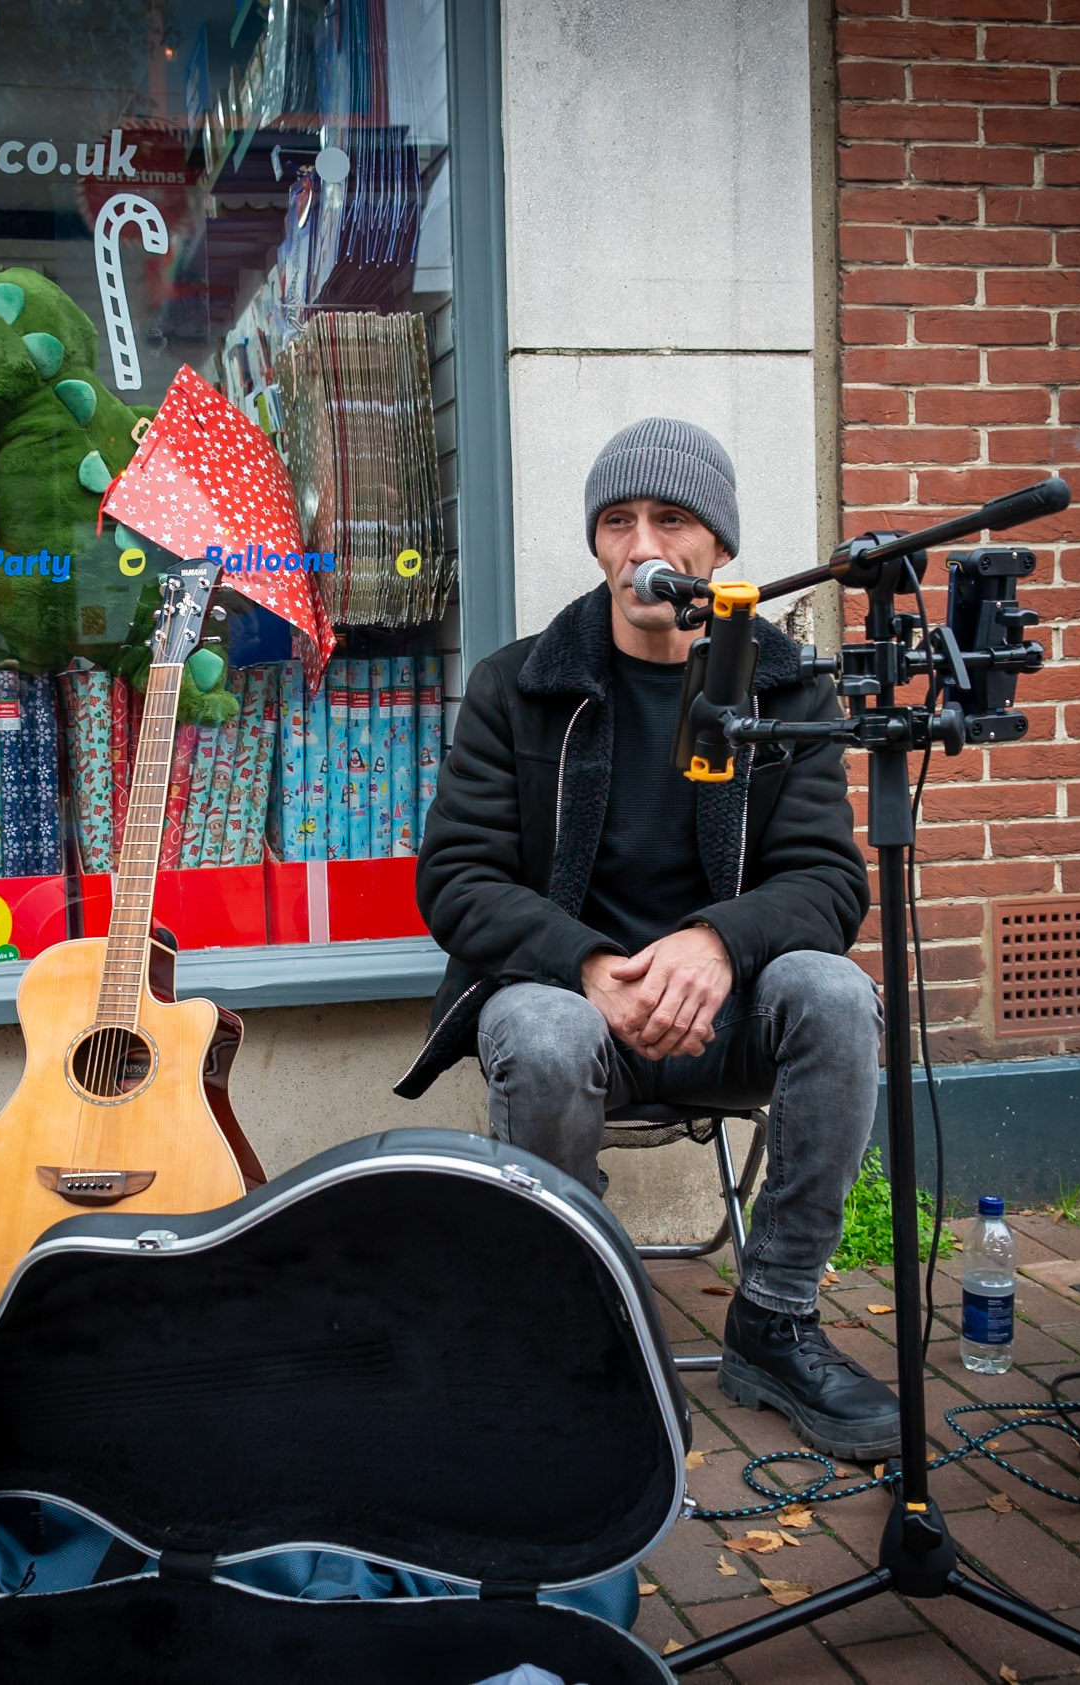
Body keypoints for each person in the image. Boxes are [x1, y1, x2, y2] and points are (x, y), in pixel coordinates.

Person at [396, 418, 899, 1461]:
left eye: (670, 519)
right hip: (573, 1010)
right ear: (594, 542)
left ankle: (776, 1317)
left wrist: (715, 944)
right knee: (539, 1031)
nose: (641, 545)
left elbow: (826, 879)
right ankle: (568, 1320)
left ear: (717, 545)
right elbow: (456, 878)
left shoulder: (783, 689)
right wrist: (587, 965)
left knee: (836, 993)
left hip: (726, 1013)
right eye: (617, 521)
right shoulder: (518, 685)